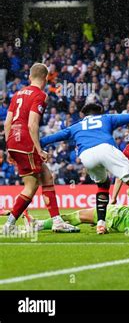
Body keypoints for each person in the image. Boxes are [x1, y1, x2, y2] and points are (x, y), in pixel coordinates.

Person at [40, 102, 129, 235]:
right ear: (99, 113)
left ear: (84, 116)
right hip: (106, 148)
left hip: (86, 156)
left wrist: (38, 147)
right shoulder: (106, 118)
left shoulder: (76, 126)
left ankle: (100, 224)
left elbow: (50, 138)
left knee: (102, 185)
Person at [3, 63, 78, 234]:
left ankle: (57, 221)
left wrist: (9, 147)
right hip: (26, 141)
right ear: (45, 79)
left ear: (30, 77)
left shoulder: (17, 94)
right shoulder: (40, 95)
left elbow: (7, 123)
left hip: (14, 141)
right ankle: (9, 225)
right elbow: (32, 124)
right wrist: (39, 150)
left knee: (46, 176)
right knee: (31, 185)